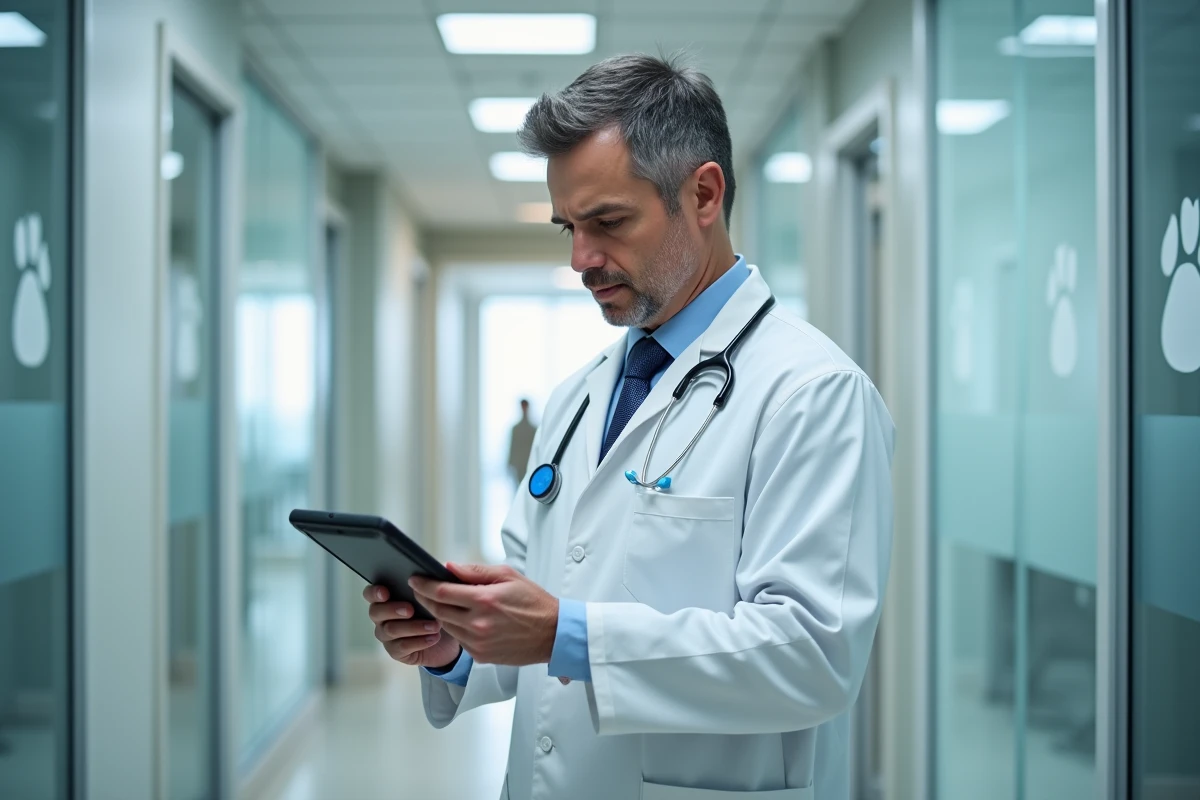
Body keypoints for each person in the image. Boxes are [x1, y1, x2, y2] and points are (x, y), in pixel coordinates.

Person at [363, 53, 894, 800]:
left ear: (703, 194)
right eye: (568, 227)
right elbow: (546, 607)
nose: (582, 258)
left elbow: (814, 656)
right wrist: (461, 644)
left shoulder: (813, 393)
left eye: (608, 221)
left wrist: (565, 634)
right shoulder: (580, 396)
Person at [507, 399, 537, 490]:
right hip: (519, 465)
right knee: (519, 489)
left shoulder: (533, 429)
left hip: (530, 464)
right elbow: (512, 447)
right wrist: (510, 463)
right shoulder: (516, 429)